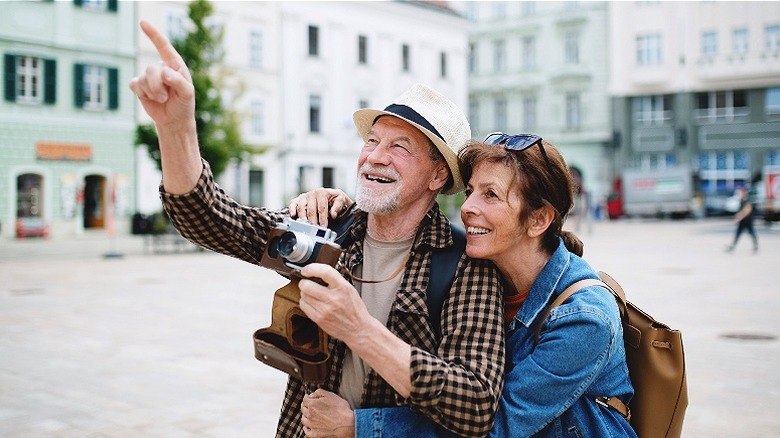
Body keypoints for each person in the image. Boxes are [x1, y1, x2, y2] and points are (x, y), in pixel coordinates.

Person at [128, 20, 505, 438]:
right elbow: (206, 218)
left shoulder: (464, 263)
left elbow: (476, 404)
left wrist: (359, 330)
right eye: (372, 141)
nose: (375, 157)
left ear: (438, 176)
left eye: (399, 147)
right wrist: (176, 126)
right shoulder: (330, 226)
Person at [298, 133, 636, 437]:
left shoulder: (584, 319)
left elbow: (494, 427)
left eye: (490, 195)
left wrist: (359, 426)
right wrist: (345, 209)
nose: (467, 207)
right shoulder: (483, 274)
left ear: (538, 219)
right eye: (471, 191)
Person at [726, 185, 759, 253]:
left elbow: (747, 210)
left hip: (747, 221)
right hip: (743, 221)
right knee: (738, 234)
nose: (738, 194)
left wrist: (739, 217)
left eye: (739, 192)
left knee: (751, 233)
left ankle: (756, 246)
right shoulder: (741, 200)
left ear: (743, 192)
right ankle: (732, 247)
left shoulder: (747, 200)